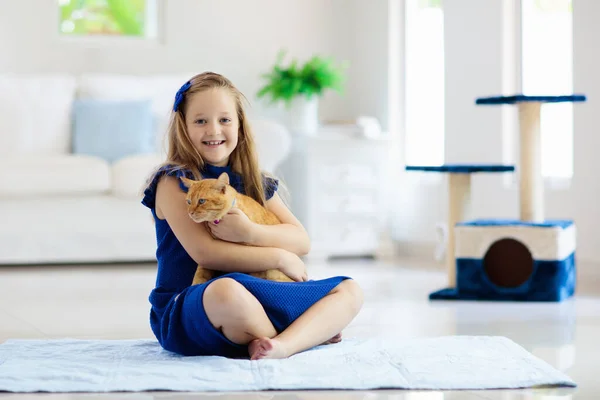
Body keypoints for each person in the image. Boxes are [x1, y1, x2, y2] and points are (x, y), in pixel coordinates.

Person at [141, 71, 363, 360]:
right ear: (183, 127)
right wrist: (279, 257)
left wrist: (251, 233)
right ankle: (304, 333)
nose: (213, 130)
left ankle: (280, 346)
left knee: (350, 290)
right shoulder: (174, 181)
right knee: (226, 292)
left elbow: (301, 240)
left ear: (240, 125)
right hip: (193, 305)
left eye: (224, 120)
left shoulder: (255, 181)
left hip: (258, 295)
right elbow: (205, 254)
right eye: (200, 121)